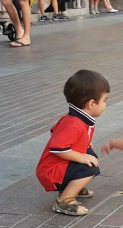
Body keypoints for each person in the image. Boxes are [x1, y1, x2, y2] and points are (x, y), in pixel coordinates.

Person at [36, 69, 110, 216]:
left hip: (57, 168)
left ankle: (73, 186)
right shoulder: (74, 123)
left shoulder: (74, 118)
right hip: (52, 173)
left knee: (89, 155)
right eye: (105, 100)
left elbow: (55, 133)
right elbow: (57, 147)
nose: (105, 104)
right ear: (91, 104)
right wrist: (81, 156)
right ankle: (65, 199)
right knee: (90, 167)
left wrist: (83, 146)